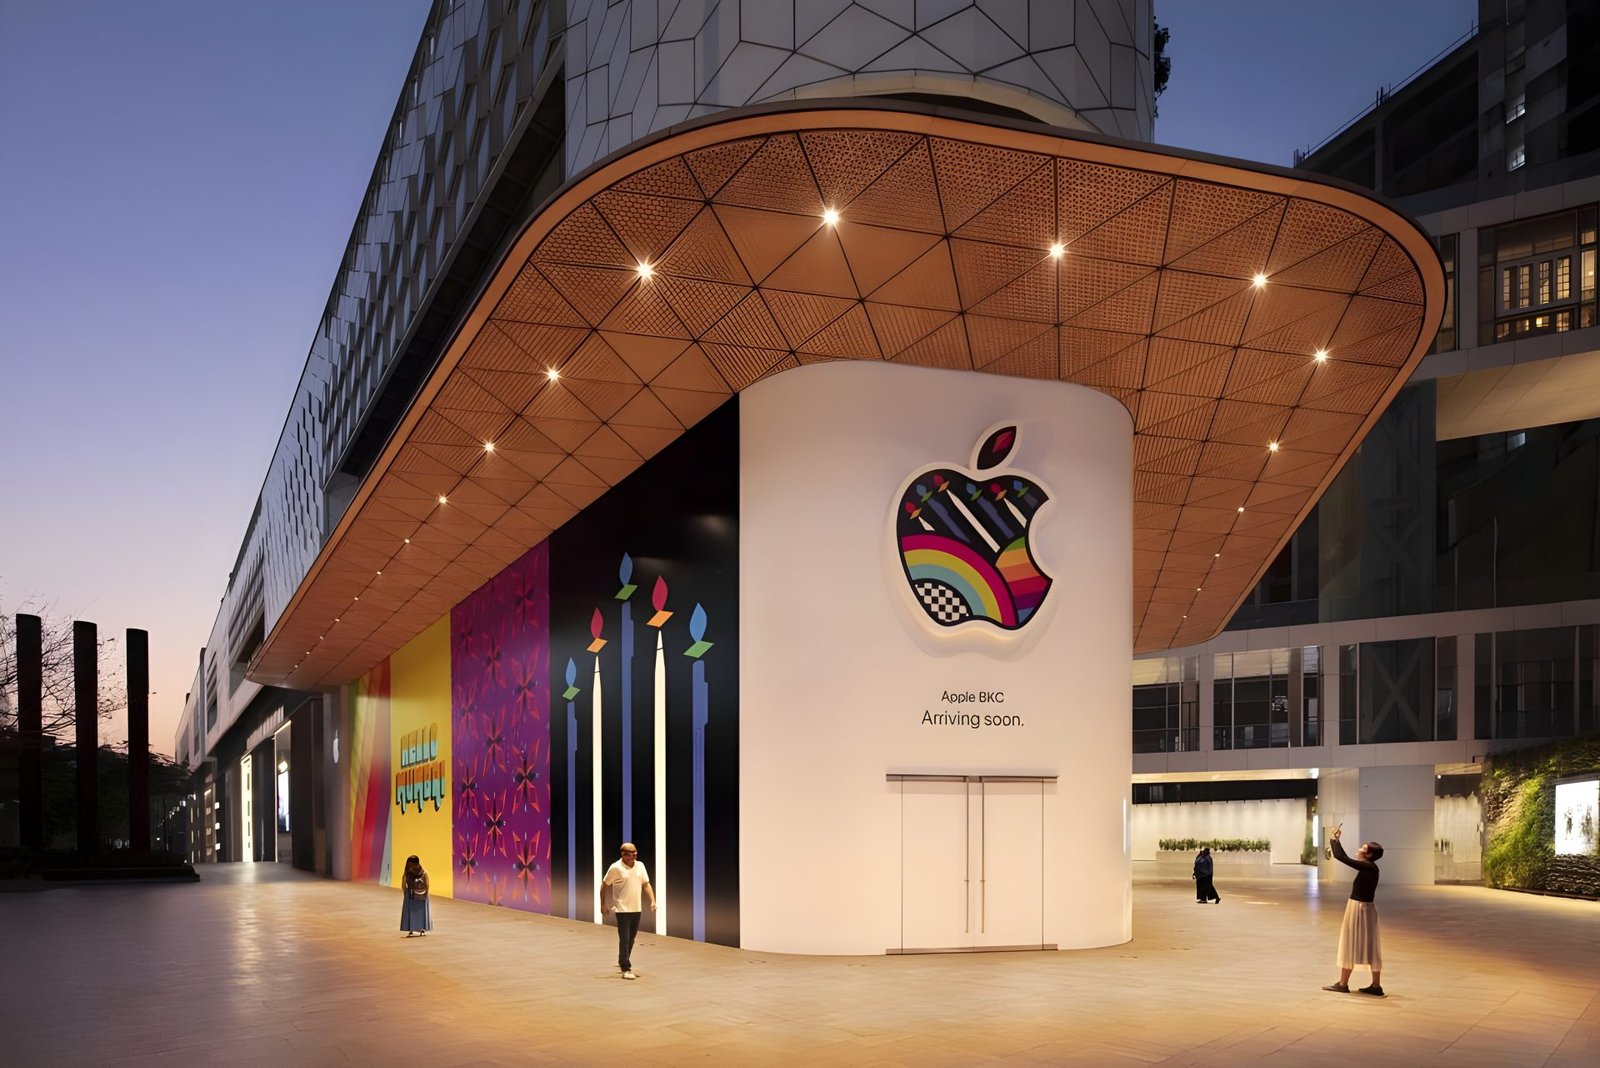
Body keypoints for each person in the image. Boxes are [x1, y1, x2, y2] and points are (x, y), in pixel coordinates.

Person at [1322, 827, 1384, 996]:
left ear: (1368, 855)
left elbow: (1341, 857)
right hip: (1367, 908)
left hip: (1358, 908)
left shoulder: (1368, 867)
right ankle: (1375, 985)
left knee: (1349, 942)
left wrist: (1334, 840)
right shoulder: (1371, 867)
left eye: (1363, 849)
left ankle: (1343, 984)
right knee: (1372, 945)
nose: (1359, 849)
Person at [601, 841, 656, 979]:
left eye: (635, 852)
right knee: (624, 939)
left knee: (631, 938)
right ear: (623, 854)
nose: (634, 855)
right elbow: (604, 885)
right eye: (631, 853)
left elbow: (646, 884)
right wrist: (603, 904)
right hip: (622, 909)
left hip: (636, 908)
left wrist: (653, 900)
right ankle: (626, 968)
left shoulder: (640, 866)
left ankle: (622, 960)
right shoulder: (616, 868)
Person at [400, 854, 433, 937]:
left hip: (412, 895)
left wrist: (406, 894)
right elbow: (427, 885)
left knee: (413, 912)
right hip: (419, 895)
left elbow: (403, 885)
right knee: (419, 912)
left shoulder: (408, 873)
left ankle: (414, 928)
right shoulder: (422, 872)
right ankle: (419, 928)